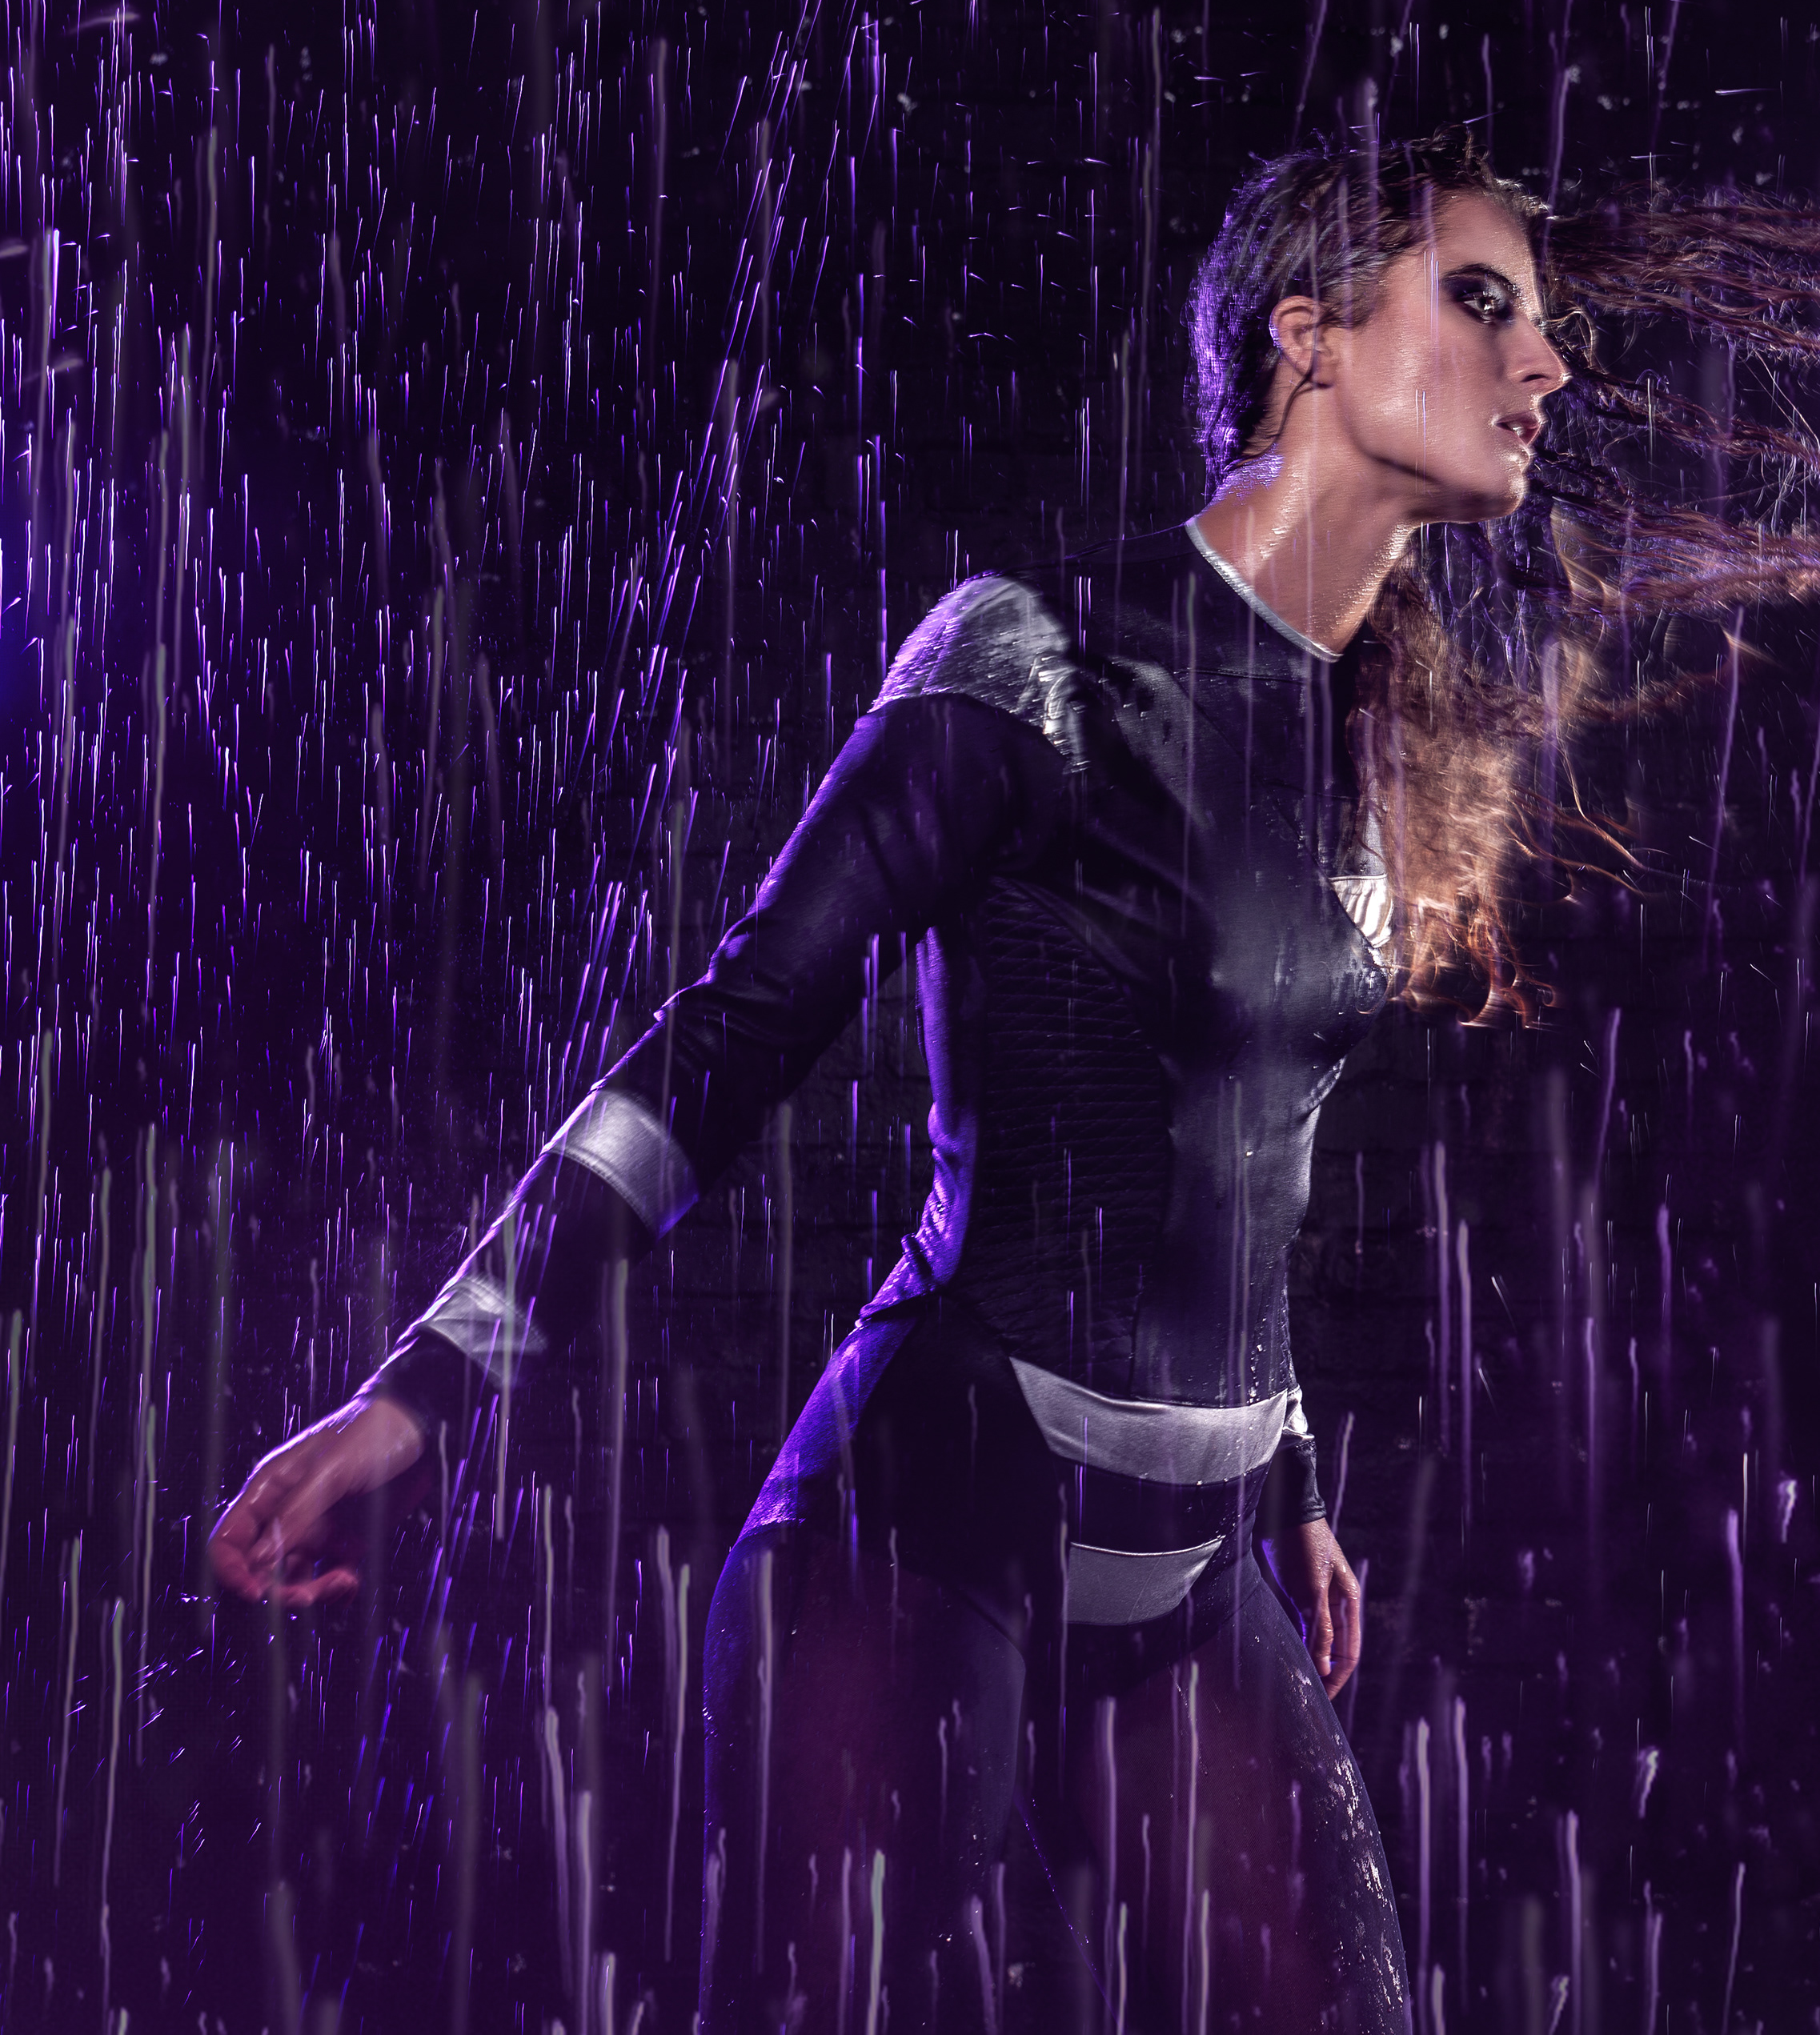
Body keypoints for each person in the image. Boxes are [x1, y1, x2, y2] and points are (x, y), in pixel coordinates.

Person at [209, 130, 1571, 2033]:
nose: (1544, 365)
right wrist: (428, 1386)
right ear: (1309, 336)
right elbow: (738, 1027)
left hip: (1199, 1563)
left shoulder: (1368, 738)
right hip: (925, 1523)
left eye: (1541, 327)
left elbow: (1247, 1132)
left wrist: (1288, 1465)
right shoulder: (1037, 658)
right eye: (1483, 302)